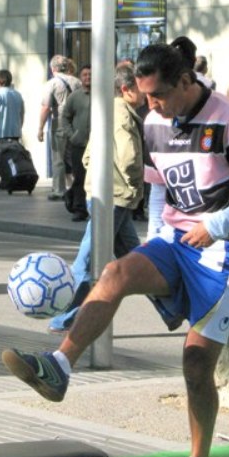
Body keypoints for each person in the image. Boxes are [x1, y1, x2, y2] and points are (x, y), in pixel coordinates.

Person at [2, 43, 229, 457]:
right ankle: (58, 366)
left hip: (228, 251)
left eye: (159, 95)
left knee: (195, 363)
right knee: (114, 272)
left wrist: (215, 226)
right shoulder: (154, 121)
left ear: (186, 82)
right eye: (146, 96)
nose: (151, 105)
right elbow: (159, 187)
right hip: (175, 240)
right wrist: (157, 236)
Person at [49, 61, 145, 332]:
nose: (146, 94)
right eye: (140, 88)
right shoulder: (123, 115)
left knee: (137, 260)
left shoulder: (108, 111)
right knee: (87, 260)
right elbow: (129, 159)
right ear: (126, 89)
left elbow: (89, 155)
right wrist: (136, 184)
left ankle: (174, 307)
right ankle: (64, 318)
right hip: (115, 197)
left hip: (108, 196)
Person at [39, 55, 81, 200]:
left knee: (58, 158)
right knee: (76, 157)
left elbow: (46, 107)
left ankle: (59, 189)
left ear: (53, 68)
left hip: (60, 124)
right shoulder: (77, 82)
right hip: (76, 124)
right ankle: (80, 186)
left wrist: (40, 128)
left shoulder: (52, 84)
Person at [61, 64, 92, 222]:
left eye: (90, 74)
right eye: (85, 75)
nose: (88, 77)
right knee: (80, 177)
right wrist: (72, 135)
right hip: (79, 145)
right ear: (81, 77)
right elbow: (65, 117)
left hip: (97, 146)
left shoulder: (103, 94)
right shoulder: (75, 96)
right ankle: (79, 209)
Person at [0, 69, 25, 143]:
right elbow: (21, 114)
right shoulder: (18, 95)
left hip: (0, 136)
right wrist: (19, 128)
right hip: (15, 136)